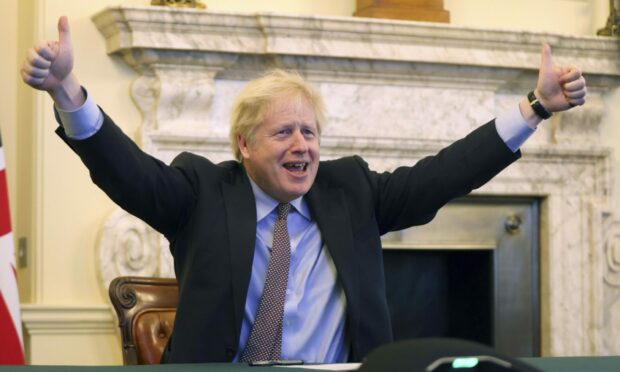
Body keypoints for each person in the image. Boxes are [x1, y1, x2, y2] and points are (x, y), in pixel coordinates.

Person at [21, 16, 586, 364]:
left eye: (310, 132)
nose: (303, 145)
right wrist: (68, 92)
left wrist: (533, 110)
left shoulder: (352, 192)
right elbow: (128, 172)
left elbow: (445, 173)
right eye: (284, 131)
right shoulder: (202, 191)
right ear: (243, 145)